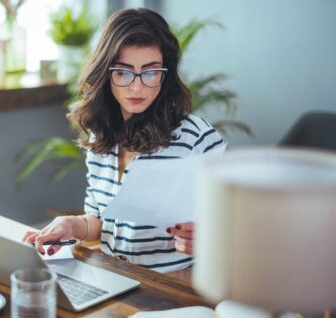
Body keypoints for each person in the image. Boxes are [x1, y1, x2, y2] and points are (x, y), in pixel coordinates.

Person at [23, 8, 226, 273]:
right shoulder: (100, 136)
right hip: (114, 278)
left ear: (165, 76)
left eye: (151, 72)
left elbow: (240, 223)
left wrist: (211, 236)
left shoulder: (197, 138)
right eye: (124, 72)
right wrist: (73, 225)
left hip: (172, 287)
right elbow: (100, 222)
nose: (137, 87)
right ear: (106, 73)